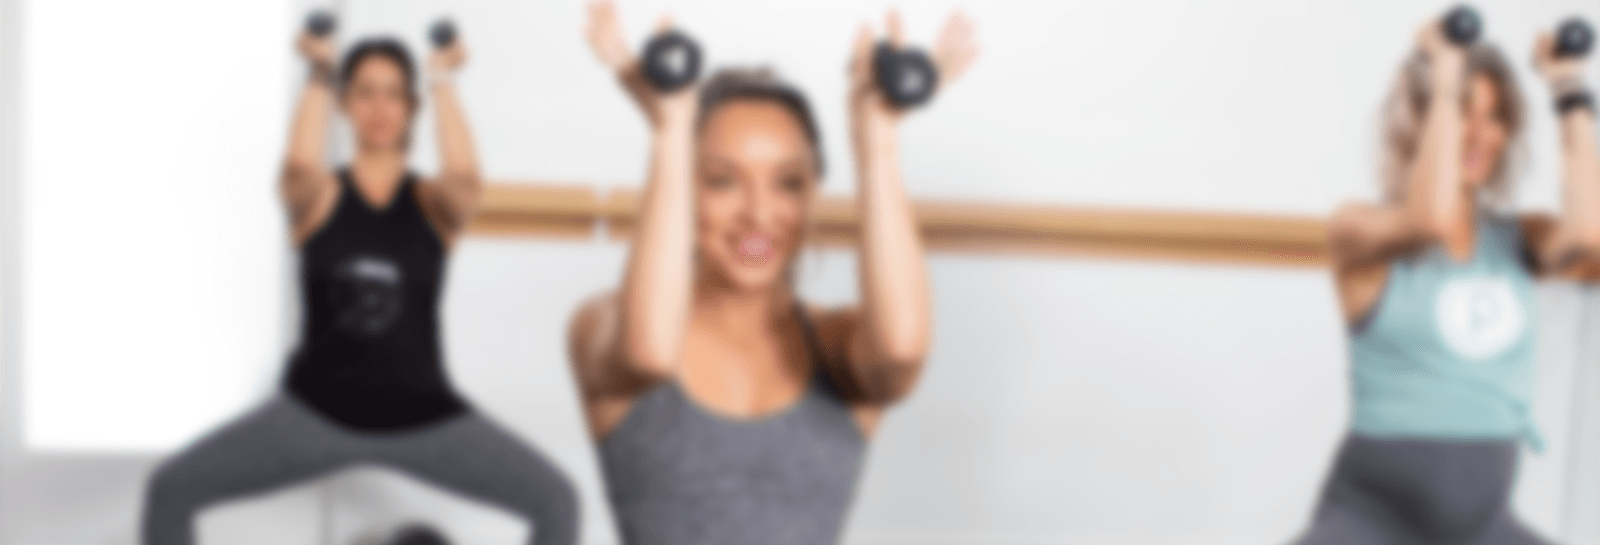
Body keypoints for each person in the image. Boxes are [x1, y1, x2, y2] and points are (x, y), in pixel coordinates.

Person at [140, 23, 578, 545]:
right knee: (170, 489)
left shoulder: (433, 205)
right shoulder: (320, 195)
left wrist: (442, 78)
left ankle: (392, 79)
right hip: (315, 416)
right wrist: (320, 69)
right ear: (346, 104)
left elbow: (464, 178)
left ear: (411, 108)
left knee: (556, 501)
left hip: (424, 419)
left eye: (394, 93)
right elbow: (300, 163)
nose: (379, 106)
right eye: (365, 91)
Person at [566, 2, 977, 543]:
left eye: (788, 183)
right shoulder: (602, 323)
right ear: (683, 191)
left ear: (812, 198)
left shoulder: (836, 347)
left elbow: (902, 352)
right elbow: (649, 349)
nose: (759, 214)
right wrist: (670, 133)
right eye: (721, 180)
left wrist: (876, 143)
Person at [1295, 17, 1600, 545]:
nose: (1481, 134)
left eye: (1496, 116)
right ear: (1423, 118)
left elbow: (1590, 236)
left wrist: (1568, 88)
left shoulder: (1520, 238)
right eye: (1465, 113)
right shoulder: (1357, 229)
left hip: (1486, 530)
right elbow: (1430, 219)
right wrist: (1445, 73)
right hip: (1368, 526)